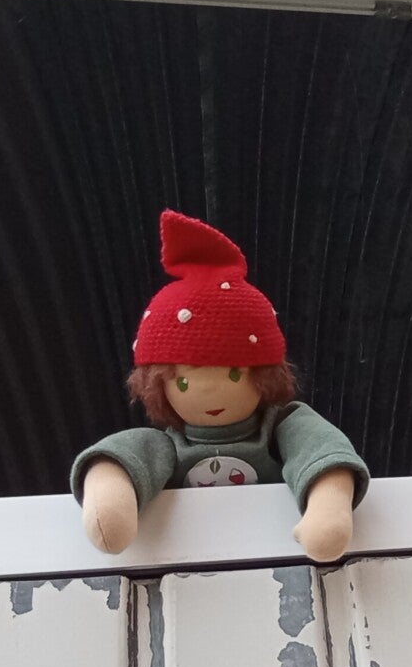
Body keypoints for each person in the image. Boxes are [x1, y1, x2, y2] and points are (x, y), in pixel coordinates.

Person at [70, 211, 368, 562]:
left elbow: (321, 451)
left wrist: (328, 509)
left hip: (276, 552)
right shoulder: (167, 446)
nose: (209, 393)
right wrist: (109, 503)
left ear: (264, 375)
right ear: (157, 387)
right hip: (188, 557)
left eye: (234, 375)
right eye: (183, 382)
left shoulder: (281, 427)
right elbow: (120, 457)